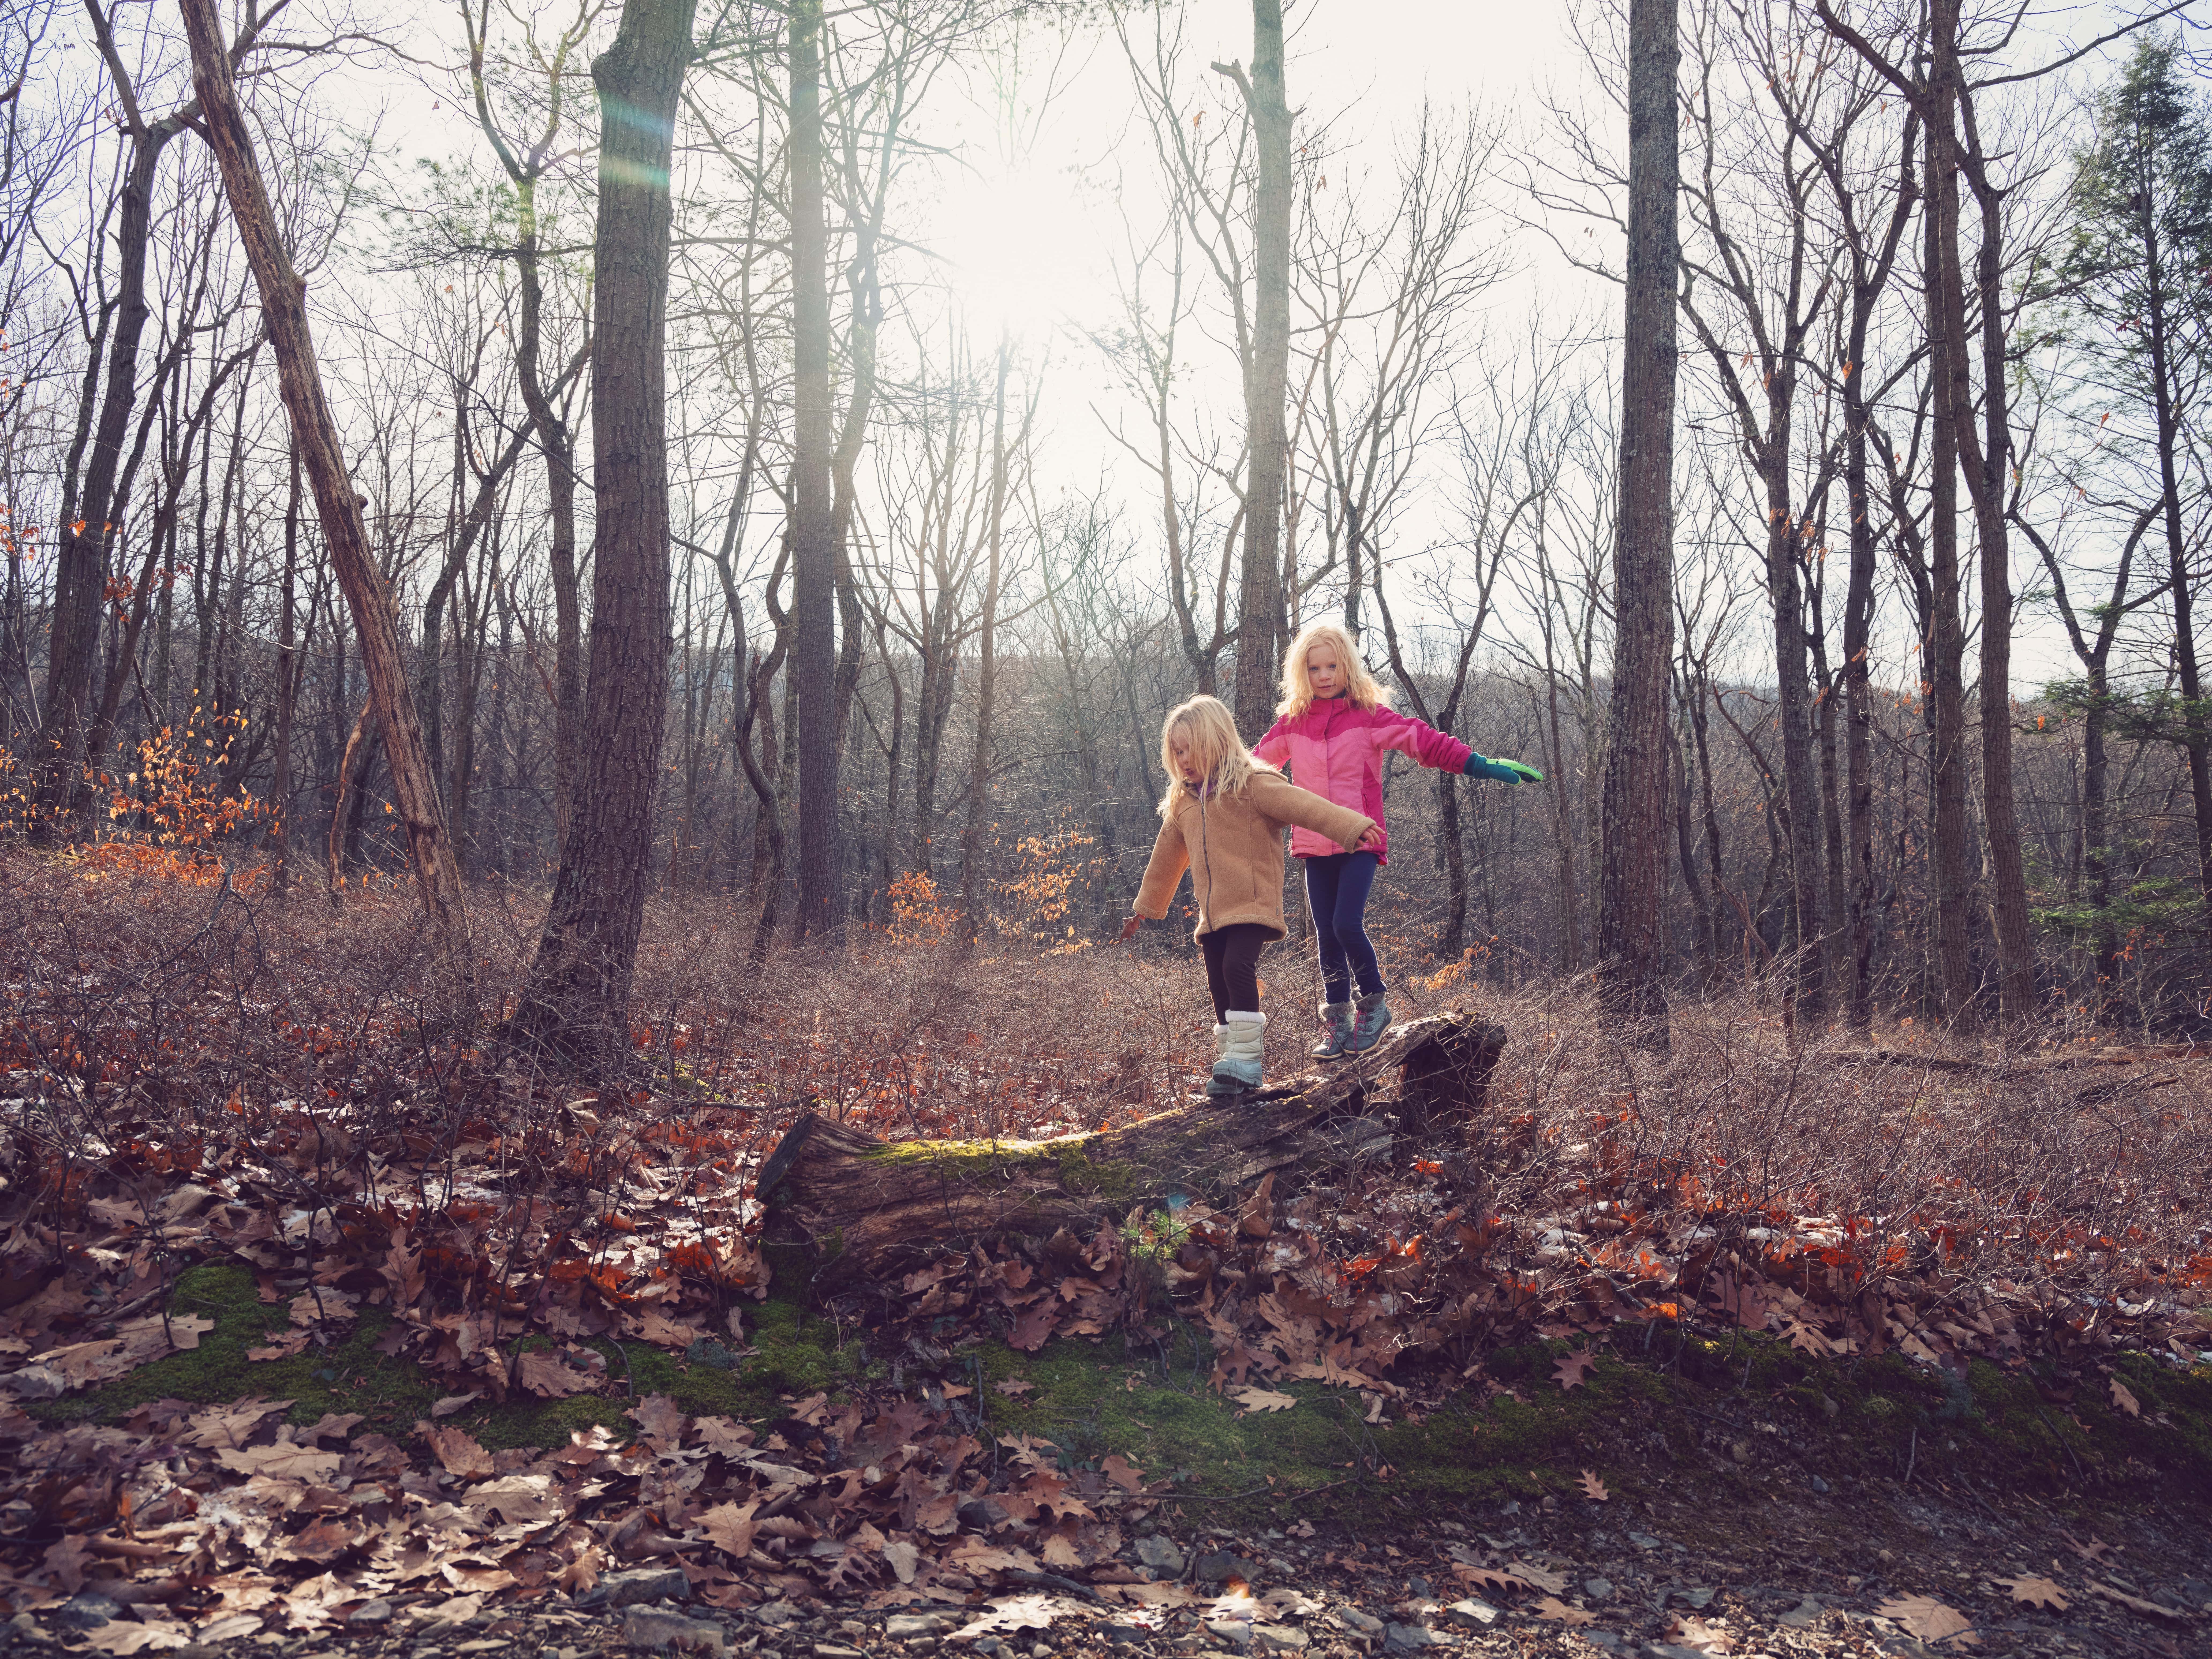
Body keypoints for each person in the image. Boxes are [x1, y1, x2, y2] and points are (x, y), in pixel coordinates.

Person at [1252, 620, 1542, 1060]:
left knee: (1346, 924)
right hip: (1314, 843)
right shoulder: (1293, 723)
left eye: (1333, 666)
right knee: (1327, 937)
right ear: (1302, 673)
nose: (1325, 676)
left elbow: (1425, 743)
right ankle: (1339, 1026)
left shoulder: (1368, 716)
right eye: (1315, 669)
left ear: (1348, 667)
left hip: (1360, 837)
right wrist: (1206, 781)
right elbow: (1253, 767)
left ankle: (1375, 1005)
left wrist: (1483, 765)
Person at [1120, 694, 1381, 1099]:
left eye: (1192, 748)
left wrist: (1353, 827)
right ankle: (1232, 1063)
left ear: (1219, 741)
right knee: (1217, 984)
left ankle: (1248, 1063)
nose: (1185, 759)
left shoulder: (1253, 785)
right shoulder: (1184, 802)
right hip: (1213, 914)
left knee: (1237, 968)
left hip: (1252, 904)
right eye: (1177, 752)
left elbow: (1307, 807)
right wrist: (1145, 908)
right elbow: (1165, 858)